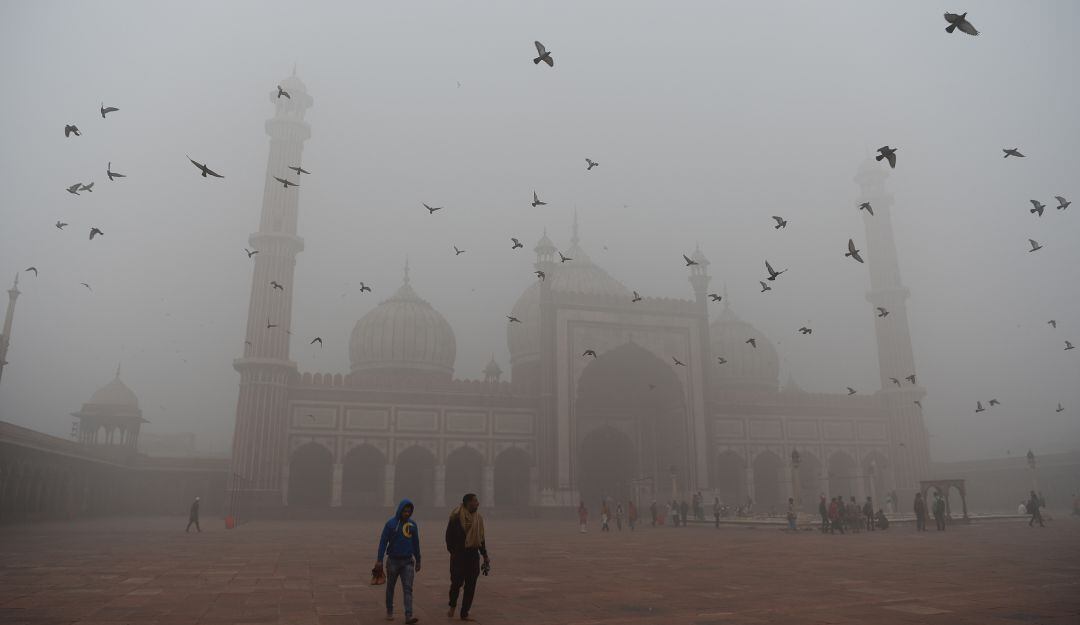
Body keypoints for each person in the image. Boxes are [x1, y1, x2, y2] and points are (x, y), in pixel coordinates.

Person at [375, 499, 421, 624]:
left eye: (409, 511)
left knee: (408, 589)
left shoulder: (412, 525)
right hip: (393, 561)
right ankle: (389, 610)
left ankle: (408, 615)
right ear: (400, 510)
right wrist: (379, 559)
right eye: (405, 511)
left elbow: (416, 543)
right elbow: (383, 542)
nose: (407, 514)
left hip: (407, 561)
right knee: (390, 587)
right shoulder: (391, 524)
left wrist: (418, 560)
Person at [446, 493, 489, 622]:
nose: (477, 503)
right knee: (456, 584)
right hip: (459, 556)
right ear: (467, 503)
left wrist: (485, 555)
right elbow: (448, 537)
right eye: (475, 501)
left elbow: (481, 538)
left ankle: (464, 612)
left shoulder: (478, 519)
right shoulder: (455, 518)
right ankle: (452, 605)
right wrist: (454, 552)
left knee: (470, 585)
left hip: (473, 556)